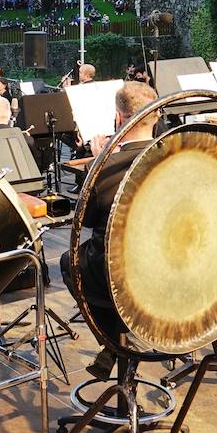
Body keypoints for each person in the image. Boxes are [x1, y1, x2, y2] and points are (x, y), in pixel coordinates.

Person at [67, 81, 157, 379]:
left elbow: (88, 220)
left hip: (118, 274)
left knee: (70, 262)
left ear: (119, 118)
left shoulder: (108, 164)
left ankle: (113, 342)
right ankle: (126, 338)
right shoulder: (176, 157)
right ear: (156, 116)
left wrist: (98, 160)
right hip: (165, 267)